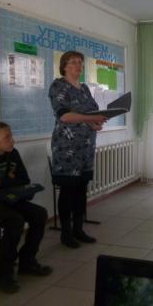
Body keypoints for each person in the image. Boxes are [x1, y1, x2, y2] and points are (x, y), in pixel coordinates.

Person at [0, 122, 52, 294]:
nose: (12, 140)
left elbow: (24, 180)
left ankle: (27, 262)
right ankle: (3, 275)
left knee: (39, 214)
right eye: (7, 137)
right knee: (15, 221)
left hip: (8, 199)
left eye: (11, 136)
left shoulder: (13, 154)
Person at [48, 51, 107, 249]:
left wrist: (95, 123)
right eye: (73, 62)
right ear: (64, 66)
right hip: (66, 147)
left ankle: (78, 229)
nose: (78, 66)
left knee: (81, 188)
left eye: (80, 63)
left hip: (86, 147)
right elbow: (64, 116)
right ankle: (66, 233)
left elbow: (91, 114)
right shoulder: (58, 86)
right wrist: (91, 119)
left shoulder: (84, 89)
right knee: (68, 190)